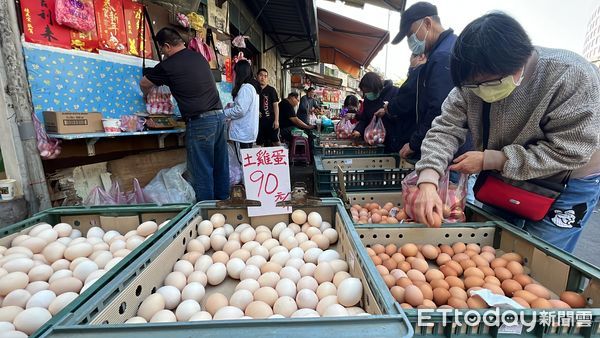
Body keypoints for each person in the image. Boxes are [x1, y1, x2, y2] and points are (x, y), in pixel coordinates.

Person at [412, 12, 600, 253]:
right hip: (504, 176)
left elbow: (569, 151)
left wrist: (491, 159)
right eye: (472, 86)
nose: (479, 91)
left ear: (520, 63)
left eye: (489, 83)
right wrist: (428, 179)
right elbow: (445, 129)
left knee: (541, 261)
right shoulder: (471, 82)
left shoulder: (571, 76)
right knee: (491, 251)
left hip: (565, 180)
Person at [140, 28, 229, 201]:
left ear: (166, 46)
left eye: (162, 50)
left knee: (201, 170)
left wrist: (146, 96)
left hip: (201, 122)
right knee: (220, 166)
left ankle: (207, 214)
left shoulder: (169, 64)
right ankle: (223, 206)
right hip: (219, 117)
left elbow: (144, 83)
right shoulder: (199, 58)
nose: (163, 55)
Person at [390, 2, 470, 160]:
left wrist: (414, 143)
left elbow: (440, 109)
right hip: (450, 149)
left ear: (427, 23)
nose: (410, 41)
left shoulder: (443, 56)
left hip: (447, 152)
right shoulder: (446, 49)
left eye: (410, 34)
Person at [375, 54, 427, 153]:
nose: (410, 63)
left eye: (411, 59)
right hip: (411, 136)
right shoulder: (423, 75)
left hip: (410, 136)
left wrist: (389, 108)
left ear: (421, 56)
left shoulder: (418, 75)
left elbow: (403, 103)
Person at [351, 72, 401, 153]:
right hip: (374, 142)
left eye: (369, 91)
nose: (367, 94)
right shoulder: (367, 99)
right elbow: (364, 118)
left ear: (376, 87)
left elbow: (402, 114)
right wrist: (358, 130)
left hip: (392, 141)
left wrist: (387, 111)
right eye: (365, 92)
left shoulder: (395, 92)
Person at [224, 60, 260, 156]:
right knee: (245, 163)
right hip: (246, 132)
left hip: (242, 133)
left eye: (234, 72)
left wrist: (223, 114)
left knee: (242, 162)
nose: (233, 75)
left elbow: (240, 110)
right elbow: (246, 107)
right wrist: (232, 105)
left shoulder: (246, 88)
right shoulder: (251, 87)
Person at [256, 68, 281, 146]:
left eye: (265, 76)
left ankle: (281, 157)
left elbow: (276, 106)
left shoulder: (271, 90)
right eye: (261, 75)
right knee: (259, 142)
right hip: (258, 122)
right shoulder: (254, 89)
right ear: (257, 76)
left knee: (275, 141)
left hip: (271, 121)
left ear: (267, 78)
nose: (263, 78)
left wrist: (276, 120)